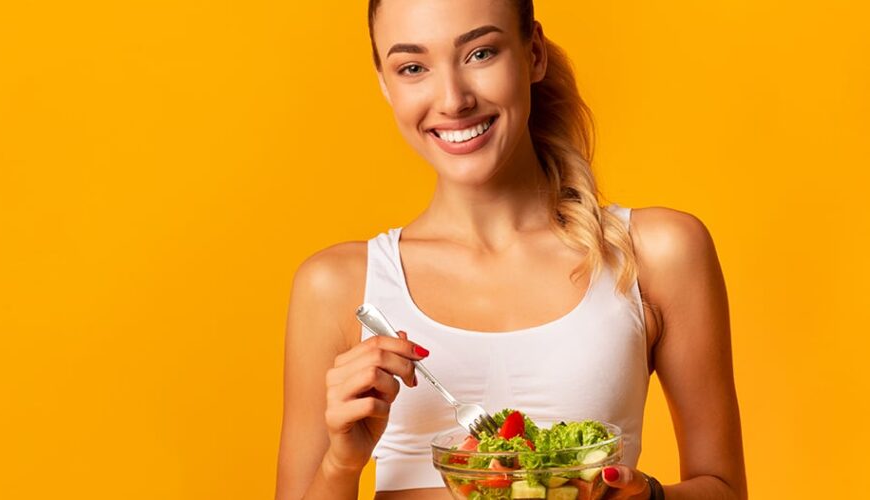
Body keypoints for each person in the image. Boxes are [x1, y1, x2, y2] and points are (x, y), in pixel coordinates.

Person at [275, 0, 747, 498]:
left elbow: (724, 489)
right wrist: (341, 465)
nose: (453, 99)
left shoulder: (658, 253)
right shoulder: (335, 285)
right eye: (413, 67)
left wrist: (644, 496)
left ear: (534, 53)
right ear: (384, 84)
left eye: (480, 53)